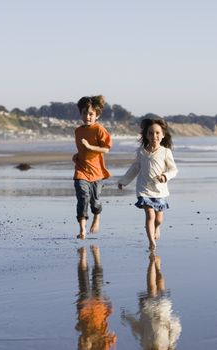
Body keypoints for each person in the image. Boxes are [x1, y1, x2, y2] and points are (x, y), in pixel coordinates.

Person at [118, 117, 178, 250]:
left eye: (157, 133)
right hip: (144, 189)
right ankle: (151, 242)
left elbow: (173, 170)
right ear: (146, 135)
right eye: (150, 133)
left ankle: (157, 228)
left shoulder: (165, 152)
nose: (154, 136)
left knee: (158, 219)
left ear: (162, 135)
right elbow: (135, 168)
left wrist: (165, 176)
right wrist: (124, 181)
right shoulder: (141, 152)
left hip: (159, 190)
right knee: (150, 215)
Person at [121, 253, 182, 349]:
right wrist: (169, 320)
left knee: (152, 288)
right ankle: (157, 267)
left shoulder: (145, 346)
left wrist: (128, 318)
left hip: (148, 311)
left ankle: (152, 262)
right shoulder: (169, 345)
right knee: (160, 285)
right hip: (162, 311)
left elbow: (138, 328)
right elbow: (175, 328)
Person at [73, 95, 112, 239]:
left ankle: (97, 217)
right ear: (80, 113)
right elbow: (82, 150)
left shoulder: (99, 129)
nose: (87, 117)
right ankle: (82, 230)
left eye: (91, 114)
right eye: (84, 113)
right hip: (81, 170)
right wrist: (76, 156)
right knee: (82, 198)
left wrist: (89, 146)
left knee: (95, 202)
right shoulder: (78, 131)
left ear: (97, 115)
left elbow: (106, 149)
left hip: (96, 172)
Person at [75, 245, 117, 350]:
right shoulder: (104, 347)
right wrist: (107, 337)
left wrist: (86, 343)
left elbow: (81, 337)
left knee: (84, 284)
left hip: (86, 312)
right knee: (98, 283)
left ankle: (83, 257)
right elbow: (113, 338)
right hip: (100, 312)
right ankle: (96, 257)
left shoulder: (85, 345)